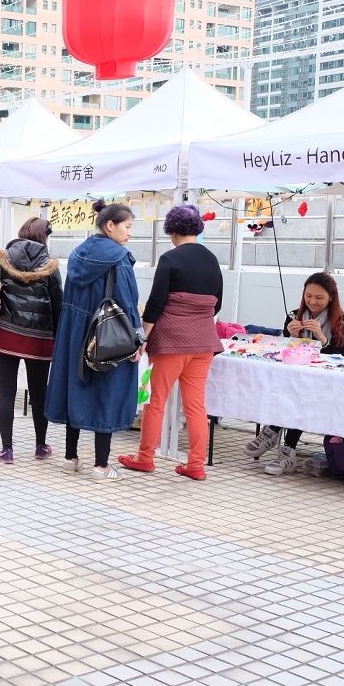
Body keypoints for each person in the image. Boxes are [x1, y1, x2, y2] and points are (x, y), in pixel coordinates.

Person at [118, 205, 223, 481]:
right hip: (204, 343)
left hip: (171, 342)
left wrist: (143, 337)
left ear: (173, 230)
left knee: (155, 400)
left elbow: (155, 304)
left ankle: (145, 457)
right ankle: (196, 464)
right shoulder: (212, 260)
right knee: (196, 405)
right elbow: (217, 304)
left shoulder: (170, 258)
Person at [45, 200, 142, 481]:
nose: (130, 233)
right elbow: (127, 302)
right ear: (109, 225)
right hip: (106, 335)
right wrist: (137, 337)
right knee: (108, 390)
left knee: (76, 386)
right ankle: (101, 466)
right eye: (127, 227)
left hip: (75, 333)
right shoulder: (119, 258)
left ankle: (70, 457)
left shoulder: (77, 254)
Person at [0, 217, 62, 465]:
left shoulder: (2, 259)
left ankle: (7, 450)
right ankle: (41, 446)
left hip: (6, 333)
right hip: (40, 338)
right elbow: (58, 304)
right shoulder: (50, 265)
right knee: (39, 392)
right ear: (44, 237)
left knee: (6, 392)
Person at [246, 272, 344, 475]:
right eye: (308, 296)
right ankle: (280, 442)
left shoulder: (342, 322)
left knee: (303, 393)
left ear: (332, 297)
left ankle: (276, 435)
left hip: (327, 384)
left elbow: (343, 362)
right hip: (295, 379)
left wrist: (322, 338)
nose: (312, 301)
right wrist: (291, 337)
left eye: (319, 298)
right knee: (294, 389)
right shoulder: (293, 315)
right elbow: (284, 353)